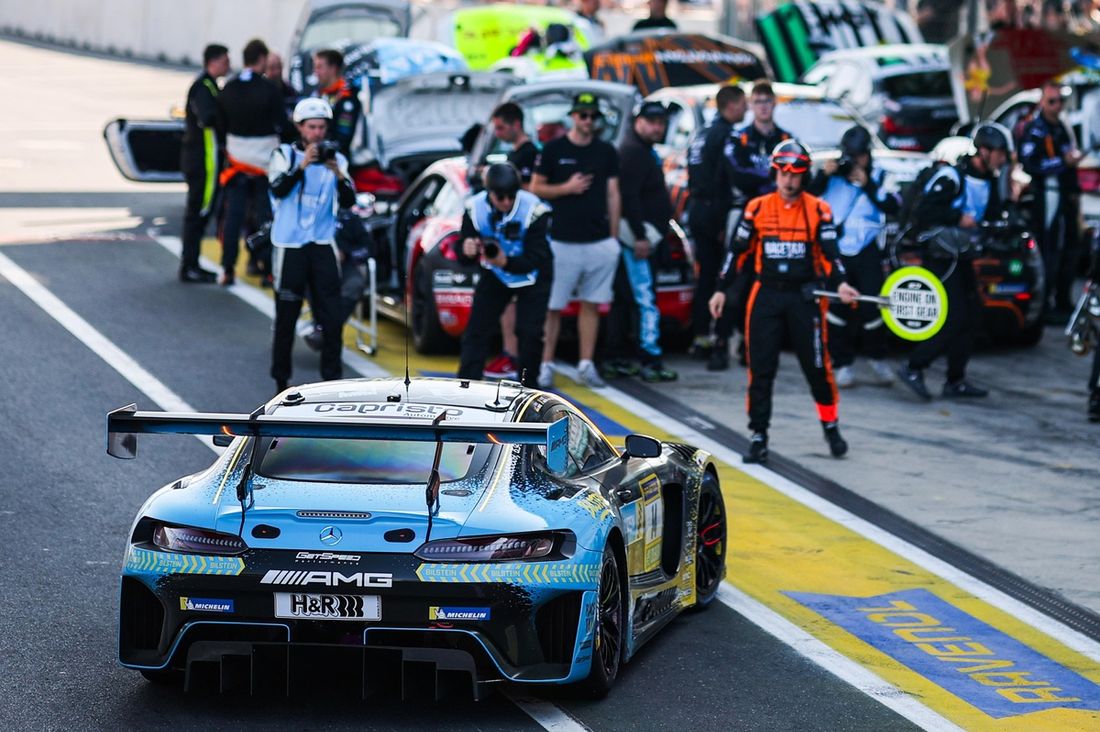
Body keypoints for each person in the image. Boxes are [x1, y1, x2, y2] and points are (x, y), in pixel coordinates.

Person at [708, 140, 859, 464]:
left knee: (817, 368)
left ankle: (830, 425)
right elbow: (737, 253)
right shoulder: (757, 207)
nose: (789, 181)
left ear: (804, 175)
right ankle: (758, 435)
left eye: (796, 174)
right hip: (766, 295)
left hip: (805, 297)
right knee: (760, 369)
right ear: (775, 172)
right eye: (783, 174)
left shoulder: (819, 209)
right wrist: (721, 288)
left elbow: (831, 256)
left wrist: (843, 284)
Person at [896, 124, 1012, 401]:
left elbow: (994, 214)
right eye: (1000, 153)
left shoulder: (990, 180)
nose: (1003, 159)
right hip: (941, 258)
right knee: (952, 317)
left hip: (963, 257)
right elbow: (926, 211)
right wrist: (957, 218)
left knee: (972, 316)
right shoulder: (951, 177)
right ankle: (914, 367)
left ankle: (955, 380)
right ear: (983, 151)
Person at [531, 92, 622, 389]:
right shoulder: (554, 149)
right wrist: (567, 188)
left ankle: (586, 364)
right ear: (573, 116)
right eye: (583, 115)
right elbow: (536, 187)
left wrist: (613, 238)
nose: (588, 121)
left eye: (593, 116)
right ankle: (545, 364)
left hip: (597, 241)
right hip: (561, 240)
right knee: (552, 306)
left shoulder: (606, 151)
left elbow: (613, 192)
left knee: (592, 304)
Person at [267, 98, 356, 393]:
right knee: (286, 316)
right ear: (300, 128)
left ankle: (331, 380)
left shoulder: (337, 160)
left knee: (331, 316)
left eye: (321, 127)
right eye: (312, 127)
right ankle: (281, 380)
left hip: (321, 245)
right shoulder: (283, 155)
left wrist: (338, 174)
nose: (317, 133)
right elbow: (277, 189)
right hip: (290, 245)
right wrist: (302, 165)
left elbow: (349, 201)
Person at [807, 125, 899, 388]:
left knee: (874, 305)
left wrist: (867, 183)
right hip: (837, 249)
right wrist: (825, 174)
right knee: (837, 306)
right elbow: (809, 196)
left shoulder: (880, 174)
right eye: (850, 155)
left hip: (868, 249)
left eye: (859, 156)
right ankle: (842, 364)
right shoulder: (833, 175)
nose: (854, 160)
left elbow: (893, 204)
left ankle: (877, 357)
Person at [712, 80, 792, 371]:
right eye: (757, 102)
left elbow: (798, 173)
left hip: (777, 218)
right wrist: (775, 177)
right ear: (751, 105)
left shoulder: (785, 138)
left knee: (764, 282)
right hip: (744, 213)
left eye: (767, 101)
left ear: (774, 104)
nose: (762, 107)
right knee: (732, 278)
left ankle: (750, 344)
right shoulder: (739, 137)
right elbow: (738, 175)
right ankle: (720, 344)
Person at [456, 164, 553, 389]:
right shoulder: (474, 208)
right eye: (501, 197)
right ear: (489, 193)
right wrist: (466, 249)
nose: (507, 202)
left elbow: (538, 257)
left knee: (529, 333)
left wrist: (505, 261)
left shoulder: (535, 210)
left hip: (532, 275)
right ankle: (465, 385)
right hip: (496, 274)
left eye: (512, 196)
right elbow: (463, 252)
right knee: (476, 331)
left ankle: (529, 388)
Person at [604, 100, 678, 382]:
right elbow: (628, 197)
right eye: (652, 121)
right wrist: (640, 235)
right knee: (645, 299)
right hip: (637, 238)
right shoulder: (634, 152)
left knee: (625, 300)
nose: (657, 127)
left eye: (661, 122)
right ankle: (650, 358)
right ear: (637, 121)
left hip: (637, 235)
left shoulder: (639, 149)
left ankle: (618, 357)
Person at [216, 39, 285, 286]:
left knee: (233, 217)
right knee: (265, 217)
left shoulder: (229, 89)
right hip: (264, 164)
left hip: (236, 163)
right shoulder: (270, 90)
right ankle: (268, 269)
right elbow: (283, 126)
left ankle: (227, 268)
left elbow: (220, 123)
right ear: (262, 59)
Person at [686, 84, 747, 364]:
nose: (745, 109)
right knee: (721, 279)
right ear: (731, 105)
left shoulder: (701, 134)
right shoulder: (726, 135)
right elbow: (727, 179)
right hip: (714, 213)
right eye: (743, 103)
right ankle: (718, 343)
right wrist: (723, 220)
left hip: (697, 209)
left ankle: (700, 339)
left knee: (705, 278)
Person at [483, 102, 541, 380]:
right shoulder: (513, 155)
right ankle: (511, 354)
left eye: (501, 127)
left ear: (516, 124)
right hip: (506, 243)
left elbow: (533, 194)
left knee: (522, 306)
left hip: (526, 244)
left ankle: (515, 356)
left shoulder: (530, 155)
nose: (498, 133)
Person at [1021, 79, 1084, 319]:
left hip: (1067, 196)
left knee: (1071, 248)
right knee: (1050, 248)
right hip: (1047, 196)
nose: (1057, 106)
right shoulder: (1035, 129)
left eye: (1060, 101)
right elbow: (1030, 164)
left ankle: (1063, 299)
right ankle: (1045, 301)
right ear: (1042, 102)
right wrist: (1061, 162)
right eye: (1052, 101)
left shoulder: (1062, 126)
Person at [179, 43, 229, 284]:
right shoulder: (202, 87)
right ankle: (189, 266)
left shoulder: (210, 86)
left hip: (206, 162)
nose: (228, 66)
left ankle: (193, 263)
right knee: (196, 214)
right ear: (214, 61)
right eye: (225, 61)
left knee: (201, 214)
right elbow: (207, 118)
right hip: (202, 163)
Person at [312, 49, 361, 159]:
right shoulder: (318, 94)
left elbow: (343, 137)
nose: (315, 71)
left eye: (319, 67)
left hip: (338, 159)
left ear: (333, 68)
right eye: (315, 67)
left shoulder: (347, 96)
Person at [265, 52, 299, 144]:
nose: (276, 72)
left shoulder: (291, 92)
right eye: (272, 68)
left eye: (278, 67)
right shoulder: (260, 93)